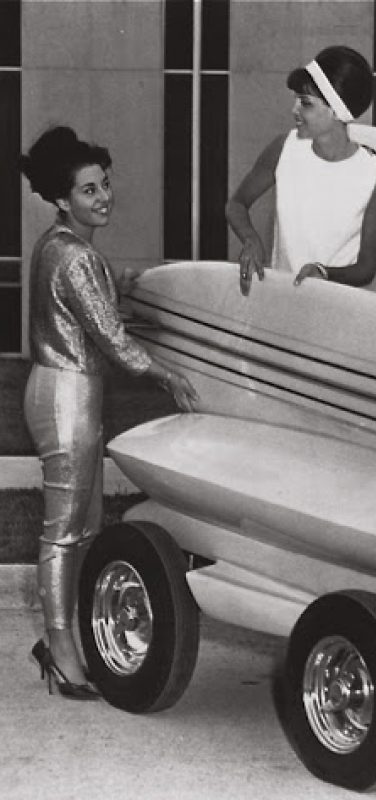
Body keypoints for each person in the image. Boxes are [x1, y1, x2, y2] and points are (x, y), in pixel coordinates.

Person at [19, 126, 198, 699]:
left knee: (84, 525)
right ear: (61, 198)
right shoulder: (74, 257)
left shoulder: (60, 245)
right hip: (67, 395)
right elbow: (114, 340)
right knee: (65, 531)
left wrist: (118, 285)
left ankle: (66, 638)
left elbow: (91, 312)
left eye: (105, 184)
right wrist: (168, 374)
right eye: (89, 189)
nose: (103, 197)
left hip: (65, 390)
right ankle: (60, 648)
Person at [226, 45, 376, 296]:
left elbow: (366, 269)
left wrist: (323, 273)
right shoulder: (284, 149)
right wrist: (251, 241)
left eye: (305, 103)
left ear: (336, 111)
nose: (294, 110)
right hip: (290, 303)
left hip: (353, 310)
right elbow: (236, 204)